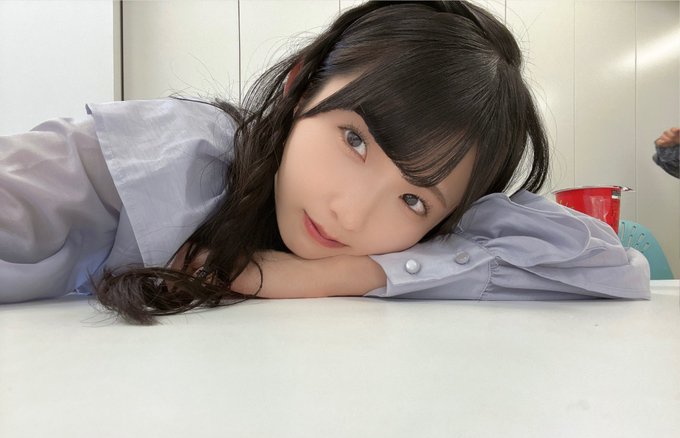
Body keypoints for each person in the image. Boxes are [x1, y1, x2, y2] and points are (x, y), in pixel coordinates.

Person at [0, 0, 650, 324]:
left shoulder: (387, 248)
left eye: (414, 199)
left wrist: (343, 274)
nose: (352, 213)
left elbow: (609, 265)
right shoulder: (167, 153)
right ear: (301, 84)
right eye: (356, 141)